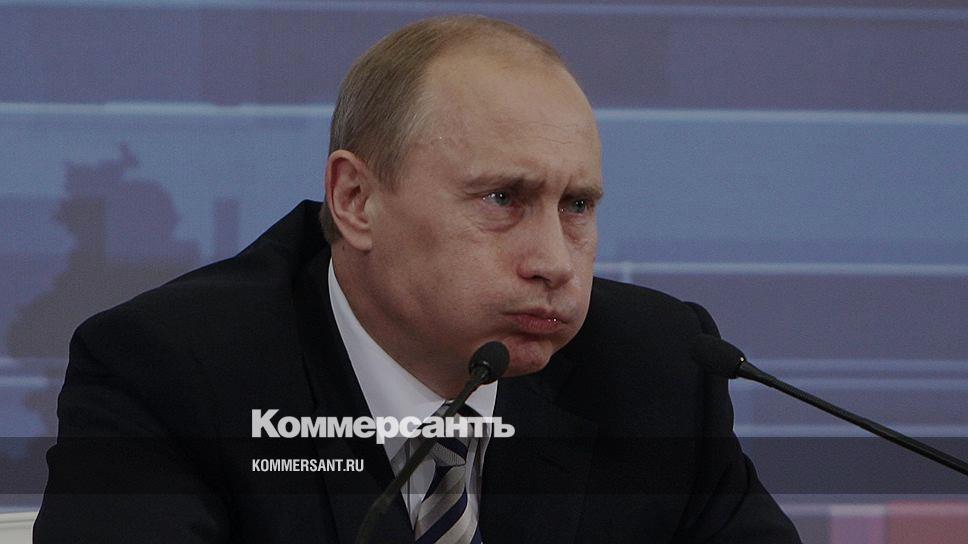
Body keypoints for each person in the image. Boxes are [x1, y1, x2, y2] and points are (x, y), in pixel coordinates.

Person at [35, 15, 801, 543]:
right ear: (356, 200)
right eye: (503, 199)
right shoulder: (171, 371)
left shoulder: (659, 365)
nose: (554, 261)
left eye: (576, 206)